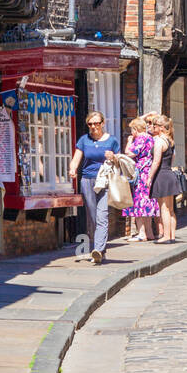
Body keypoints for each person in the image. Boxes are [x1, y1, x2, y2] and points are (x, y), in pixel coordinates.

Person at [69, 111, 120, 265]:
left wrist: (113, 157)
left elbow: (120, 161)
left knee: (102, 215)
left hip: (104, 181)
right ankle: (101, 250)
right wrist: (72, 169)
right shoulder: (84, 140)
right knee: (92, 216)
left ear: (102, 123)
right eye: (90, 124)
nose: (93, 127)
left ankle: (97, 249)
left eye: (96, 123)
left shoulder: (112, 141)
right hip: (87, 180)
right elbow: (76, 158)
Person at [122, 116, 159, 241]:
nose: (131, 133)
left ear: (135, 129)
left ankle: (141, 233)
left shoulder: (140, 138)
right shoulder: (150, 138)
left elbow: (129, 154)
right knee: (146, 203)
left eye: (132, 130)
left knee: (138, 203)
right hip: (149, 172)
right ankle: (149, 233)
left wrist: (129, 142)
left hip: (141, 174)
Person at [149, 115, 183, 242]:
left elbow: (156, 162)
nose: (153, 127)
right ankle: (172, 236)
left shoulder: (159, 141)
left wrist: (149, 177)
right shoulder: (170, 141)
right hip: (169, 174)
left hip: (161, 175)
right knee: (170, 209)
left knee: (163, 208)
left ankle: (166, 236)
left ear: (162, 128)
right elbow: (172, 159)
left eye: (155, 125)